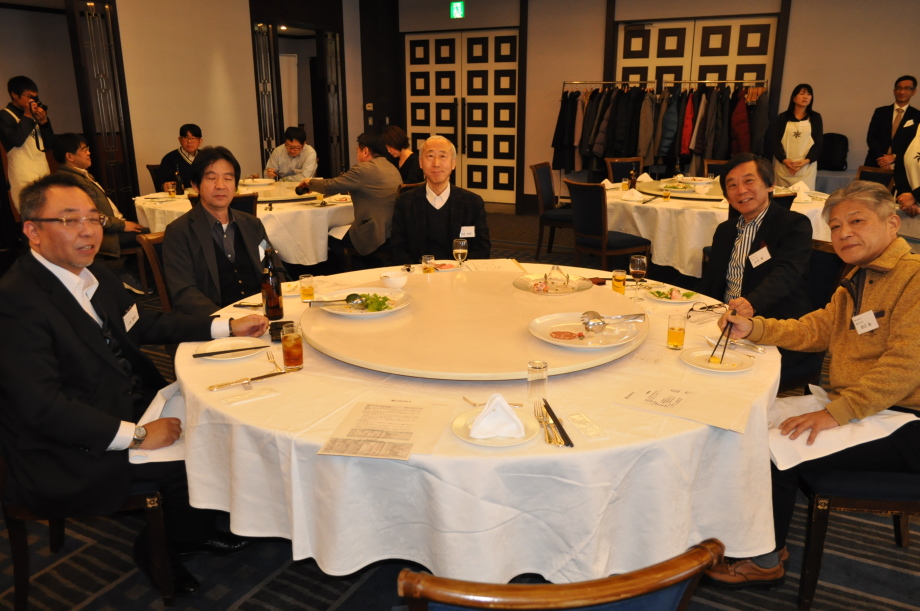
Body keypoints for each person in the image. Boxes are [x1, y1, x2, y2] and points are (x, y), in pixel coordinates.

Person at [0, 173, 269, 595]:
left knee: (227, 408)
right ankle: (160, 544)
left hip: (125, 400)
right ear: (33, 231)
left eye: (94, 218)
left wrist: (225, 327)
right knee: (195, 453)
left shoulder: (93, 273)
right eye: (70, 220)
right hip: (66, 446)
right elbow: (43, 407)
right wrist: (138, 435)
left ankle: (190, 526)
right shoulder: (16, 301)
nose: (89, 231)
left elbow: (143, 322)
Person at [706, 180, 920, 588]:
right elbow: (816, 329)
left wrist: (835, 414)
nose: (843, 233)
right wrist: (754, 328)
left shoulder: (914, 278)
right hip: (866, 406)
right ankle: (755, 535)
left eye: (856, 221)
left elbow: (905, 366)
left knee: (778, 445)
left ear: (893, 224)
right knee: (747, 423)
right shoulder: (860, 275)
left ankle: (765, 560)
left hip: (906, 419)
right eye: (835, 226)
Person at [696, 153, 813, 386]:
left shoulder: (793, 225)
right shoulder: (725, 230)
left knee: (721, 379)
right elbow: (712, 281)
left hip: (772, 327)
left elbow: (786, 274)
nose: (741, 190)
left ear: (770, 184)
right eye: (732, 185)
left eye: (749, 181)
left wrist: (752, 303)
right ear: (727, 196)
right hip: (724, 324)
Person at [163, 146, 287, 316]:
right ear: (195, 185)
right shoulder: (179, 232)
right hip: (215, 321)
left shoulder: (252, 225)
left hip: (262, 313)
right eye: (211, 178)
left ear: (235, 186)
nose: (220, 186)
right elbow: (184, 293)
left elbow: (273, 266)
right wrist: (227, 322)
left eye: (228, 178)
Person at [53, 133, 149, 293]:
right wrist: (121, 225)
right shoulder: (71, 181)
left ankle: (129, 273)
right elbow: (90, 216)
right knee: (152, 236)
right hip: (102, 234)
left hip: (108, 228)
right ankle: (131, 275)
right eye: (84, 150)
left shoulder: (78, 175)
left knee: (147, 230)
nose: (89, 153)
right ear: (70, 156)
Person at [297, 131, 402, 267]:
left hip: (373, 232)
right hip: (392, 229)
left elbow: (331, 186)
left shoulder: (363, 169)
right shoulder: (391, 167)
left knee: (330, 237)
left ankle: (359, 269)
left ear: (365, 151)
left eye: (357, 151)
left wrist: (310, 182)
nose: (357, 156)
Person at [388, 135, 490, 264]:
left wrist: (458, 270)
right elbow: (397, 247)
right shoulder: (405, 202)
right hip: (419, 272)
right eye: (430, 156)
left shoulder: (472, 202)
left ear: (453, 163)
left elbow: (482, 248)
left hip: (459, 273)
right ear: (420, 162)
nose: (436, 164)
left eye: (442, 156)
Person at [0, 76, 53, 211]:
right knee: (31, 213)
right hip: (23, 175)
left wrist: (44, 123)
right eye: (29, 97)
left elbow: (50, 144)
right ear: (14, 94)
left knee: (49, 211)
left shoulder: (34, 114)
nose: (33, 101)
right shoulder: (4, 116)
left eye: (35, 97)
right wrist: (28, 115)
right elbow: (17, 140)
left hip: (43, 172)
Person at [771, 84, 823, 190]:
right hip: (784, 167)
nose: (805, 97)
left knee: (804, 197)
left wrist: (806, 161)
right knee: (782, 196)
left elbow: (818, 143)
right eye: (802, 93)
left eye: (809, 94)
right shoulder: (783, 117)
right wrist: (784, 160)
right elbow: (775, 141)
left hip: (806, 168)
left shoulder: (815, 117)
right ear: (794, 98)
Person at [865, 75, 920, 169]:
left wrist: (894, 157)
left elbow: (916, 144)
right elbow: (871, 137)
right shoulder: (880, 112)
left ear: (913, 92)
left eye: (907, 88)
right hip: (876, 162)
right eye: (899, 88)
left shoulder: (917, 116)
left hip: (903, 165)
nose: (902, 92)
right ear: (894, 91)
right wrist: (882, 159)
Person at [156, 124, 202, 192]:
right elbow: (160, 182)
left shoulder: (205, 157)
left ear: (200, 141)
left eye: (193, 138)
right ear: (180, 140)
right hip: (179, 196)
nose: (189, 141)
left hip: (202, 196)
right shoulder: (169, 158)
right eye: (186, 137)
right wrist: (164, 186)